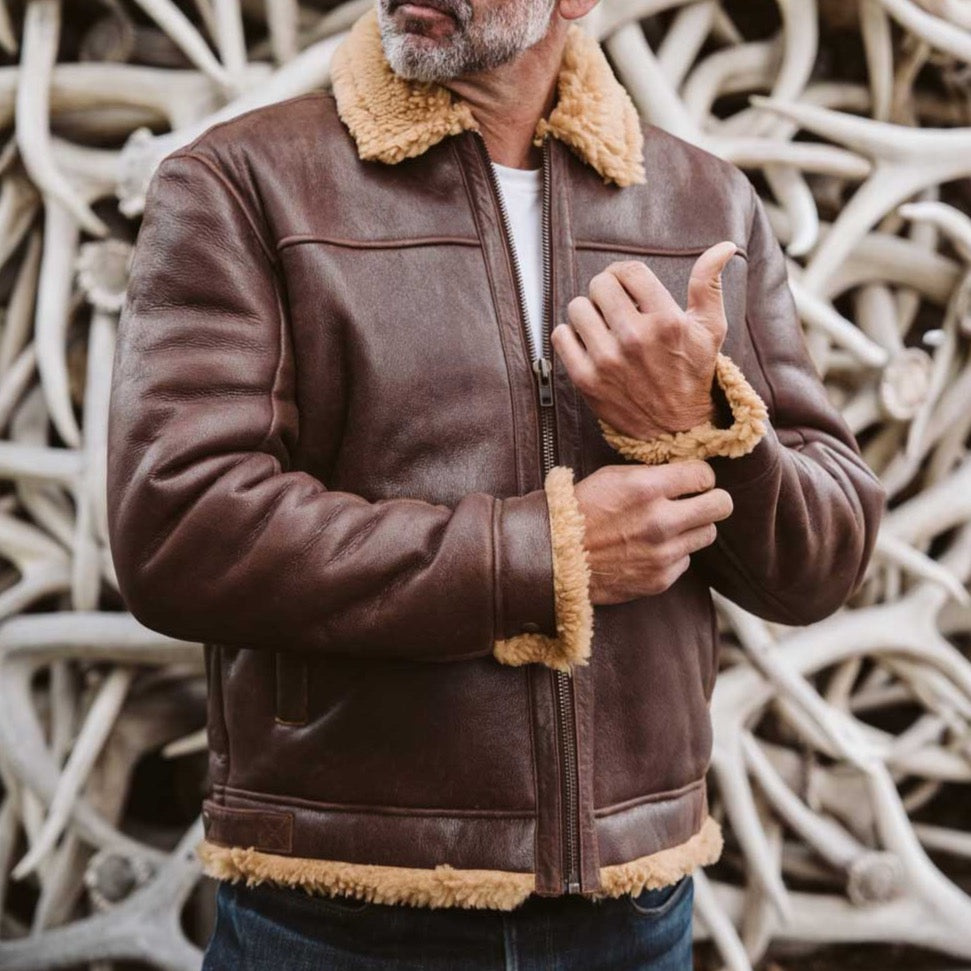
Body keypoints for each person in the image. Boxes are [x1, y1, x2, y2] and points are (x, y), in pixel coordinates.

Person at [105, 0, 887, 967]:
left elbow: (820, 561)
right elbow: (179, 528)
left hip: (631, 913)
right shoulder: (242, 181)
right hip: (338, 911)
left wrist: (698, 421)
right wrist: (545, 555)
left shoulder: (702, 203)